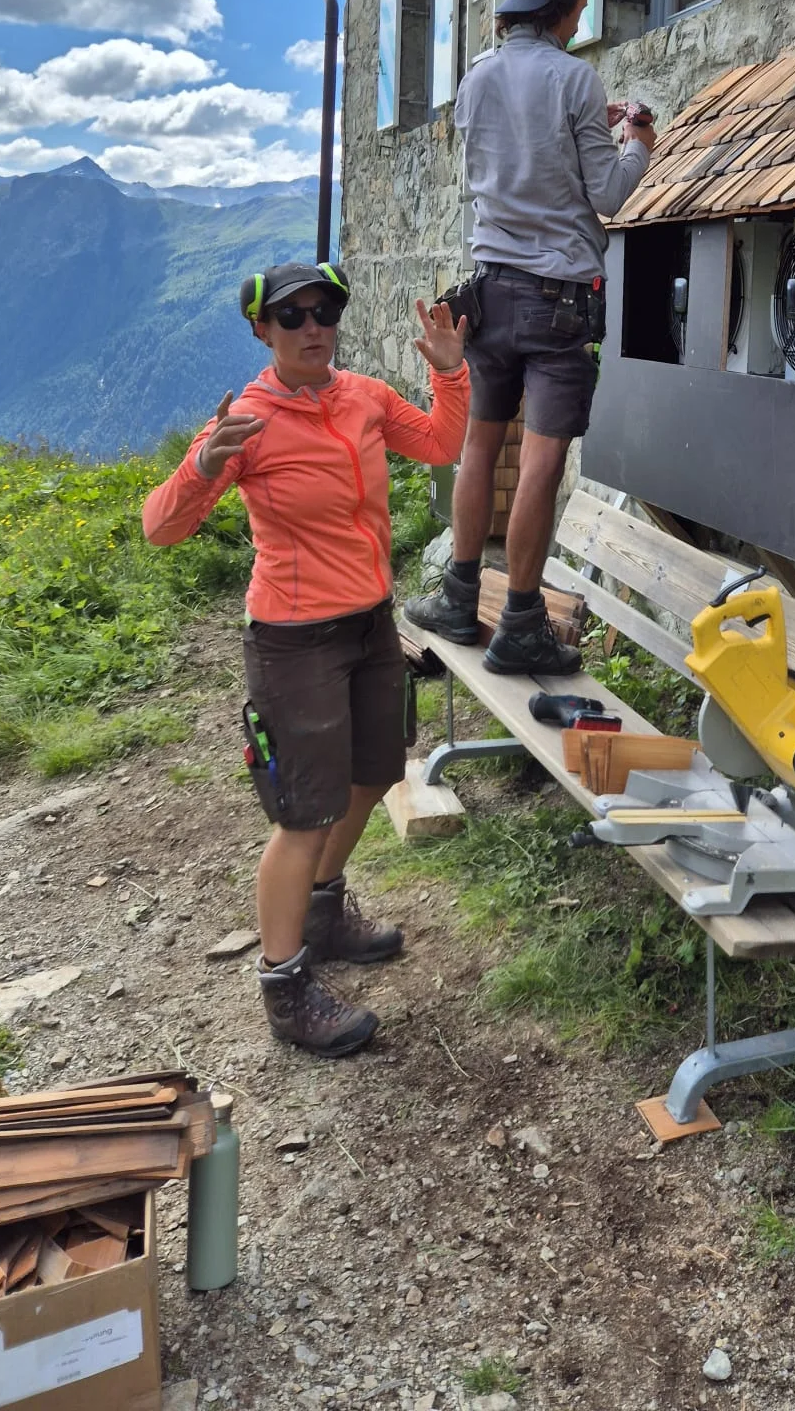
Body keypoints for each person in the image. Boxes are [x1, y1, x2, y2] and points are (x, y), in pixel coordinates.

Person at [141, 262, 469, 1057]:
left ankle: (323, 913)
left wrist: (450, 372)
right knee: (301, 816)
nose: (313, 327)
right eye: (292, 317)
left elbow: (441, 442)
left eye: (324, 312)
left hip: (369, 625)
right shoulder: (247, 422)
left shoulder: (363, 397)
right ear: (262, 331)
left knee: (374, 774)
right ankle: (285, 987)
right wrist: (202, 466)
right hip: (294, 641)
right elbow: (160, 528)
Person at [406, 0, 656, 674]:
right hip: (558, 301)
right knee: (542, 462)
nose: (580, 24)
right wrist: (637, 142)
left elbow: (516, 152)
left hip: (491, 290)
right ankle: (520, 621)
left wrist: (589, 121)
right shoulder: (576, 77)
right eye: (579, 11)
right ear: (565, 9)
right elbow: (609, 194)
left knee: (481, 446)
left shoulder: (476, 77)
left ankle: (458, 597)